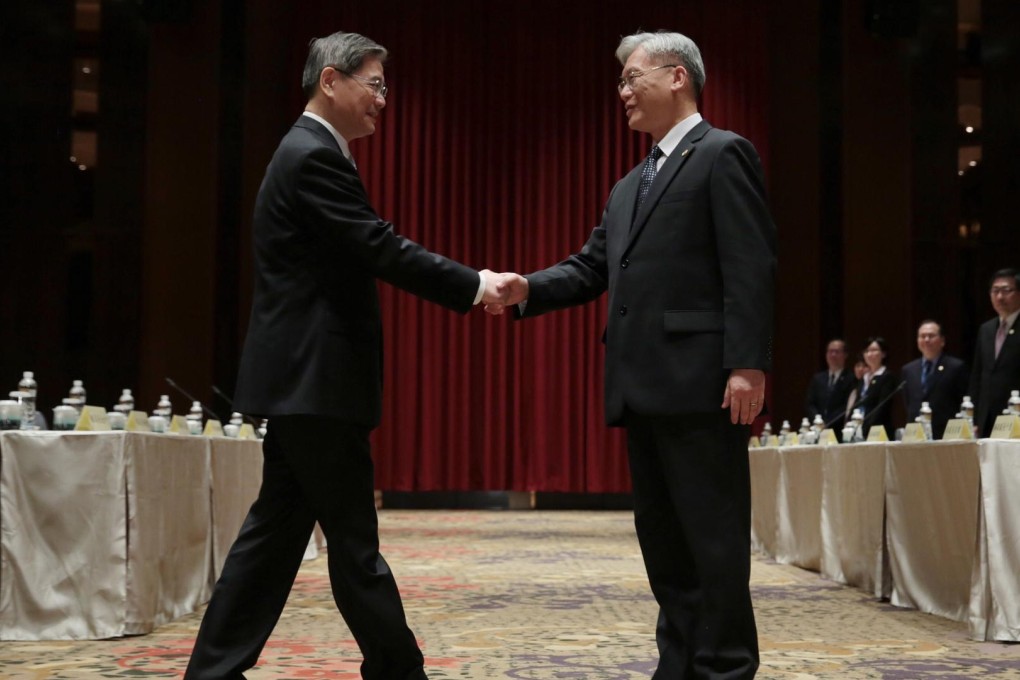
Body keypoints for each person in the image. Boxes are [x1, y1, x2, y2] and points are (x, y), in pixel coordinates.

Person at [184, 31, 508, 680]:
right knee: (353, 545)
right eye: (376, 84)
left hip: (307, 383)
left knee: (273, 541)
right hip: (316, 383)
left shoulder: (307, 152)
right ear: (331, 80)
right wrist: (470, 284)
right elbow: (378, 246)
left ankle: (214, 671)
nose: (384, 100)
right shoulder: (312, 156)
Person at [488, 30, 775, 679]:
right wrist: (528, 287)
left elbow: (751, 264)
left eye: (630, 78)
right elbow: (591, 268)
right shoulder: (629, 186)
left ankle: (726, 667)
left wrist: (746, 363)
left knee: (714, 542)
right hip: (641, 386)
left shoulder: (723, 154)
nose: (621, 92)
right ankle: (678, 665)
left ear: (677, 77)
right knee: (665, 546)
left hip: (704, 384)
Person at [969, 268, 1020, 436]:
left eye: (1006, 291)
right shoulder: (986, 329)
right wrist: (974, 418)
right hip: (987, 419)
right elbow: (978, 376)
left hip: (1016, 416)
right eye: (995, 291)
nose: (1000, 297)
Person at [900, 320, 969, 439]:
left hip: (947, 434)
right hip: (916, 434)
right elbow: (908, 402)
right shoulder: (909, 369)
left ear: (942, 341)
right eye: (922, 336)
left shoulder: (955, 367)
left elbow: (961, 400)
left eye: (931, 336)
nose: (926, 339)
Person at [804, 338, 854, 438]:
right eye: (830, 351)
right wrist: (818, 421)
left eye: (837, 352)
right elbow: (810, 403)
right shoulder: (818, 378)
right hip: (817, 430)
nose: (833, 355)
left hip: (840, 431)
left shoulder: (851, 378)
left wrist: (827, 423)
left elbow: (847, 406)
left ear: (845, 355)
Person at [855, 337, 898, 439]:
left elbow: (881, 408)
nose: (869, 354)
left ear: (883, 354)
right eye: (866, 351)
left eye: (874, 350)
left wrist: (865, 428)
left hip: (879, 431)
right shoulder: (863, 378)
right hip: (859, 430)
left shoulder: (887, 377)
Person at [843, 351, 869, 420]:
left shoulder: (870, 388)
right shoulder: (851, 389)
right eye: (858, 365)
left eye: (865, 366)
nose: (860, 369)